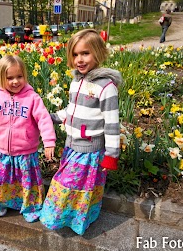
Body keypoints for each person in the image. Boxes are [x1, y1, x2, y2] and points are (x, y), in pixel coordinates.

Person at [38, 29, 121, 236]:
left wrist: (111, 155)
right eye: (75, 54)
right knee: (76, 187)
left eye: (85, 53)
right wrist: (54, 117)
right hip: (71, 146)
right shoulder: (77, 81)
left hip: (90, 150)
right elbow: (72, 109)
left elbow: (112, 123)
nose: (79, 60)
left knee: (71, 187)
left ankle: (63, 218)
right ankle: (71, 217)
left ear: (98, 53)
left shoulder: (106, 87)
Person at [0, 54, 56, 221]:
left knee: (27, 182)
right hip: (4, 153)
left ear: (25, 76)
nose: (15, 81)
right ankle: (2, 203)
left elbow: (44, 119)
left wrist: (49, 142)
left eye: (19, 76)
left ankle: (30, 206)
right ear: (1, 78)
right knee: (4, 181)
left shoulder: (32, 98)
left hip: (26, 153)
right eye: (10, 78)